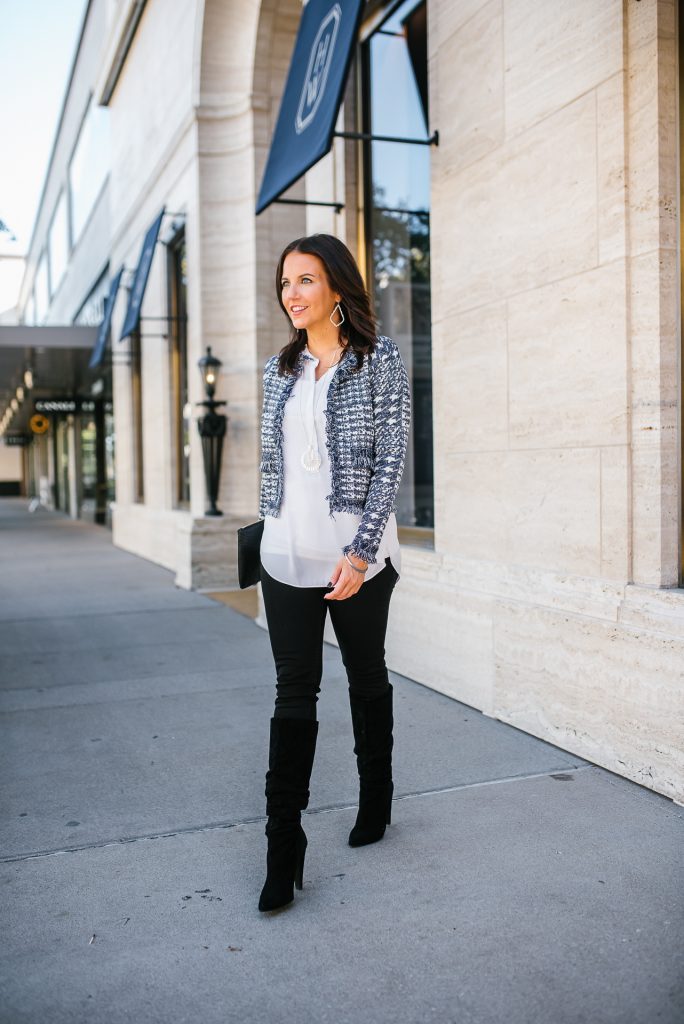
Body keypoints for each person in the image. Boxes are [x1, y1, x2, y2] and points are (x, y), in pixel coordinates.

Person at [256, 233, 411, 913]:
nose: (292, 294)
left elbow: (390, 465)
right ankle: (282, 846)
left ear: (338, 288)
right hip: (286, 554)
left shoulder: (379, 361)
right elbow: (275, 468)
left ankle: (375, 795)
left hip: (357, 555)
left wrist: (361, 552)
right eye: (286, 282)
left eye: (306, 280)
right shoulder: (275, 371)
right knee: (294, 693)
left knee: (366, 675)